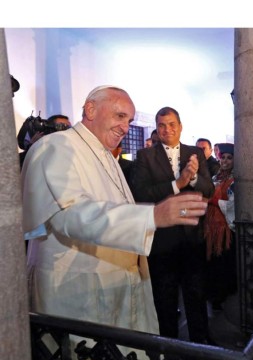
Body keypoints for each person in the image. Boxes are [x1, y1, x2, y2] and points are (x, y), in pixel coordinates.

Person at [21, 86, 207, 346]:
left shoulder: (104, 155)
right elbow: (70, 214)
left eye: (130, 120)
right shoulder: (56, 146)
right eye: (120, 116)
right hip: (77, 292)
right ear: (90, 109)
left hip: (114, 289)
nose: (125, 127)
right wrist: (151, 217)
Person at [132, 106, 215, 343]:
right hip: (162, 241)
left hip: (192, 239)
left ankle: (201, 350)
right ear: (156, 129)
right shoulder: (145, 156)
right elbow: (141, 193)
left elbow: (209, 189)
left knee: (196, 299)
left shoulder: (195, 153)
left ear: (180, 126)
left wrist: (195, 177)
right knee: (164, 301)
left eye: (171, 124)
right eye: (161, 125)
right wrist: (178, 183)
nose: (167, 129)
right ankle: (168, 351)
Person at [204, 143, 236, 311]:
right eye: (223, 157)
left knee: (222, 262)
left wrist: (214, 201)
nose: (225, 161)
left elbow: (233, 205)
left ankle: (221, 296)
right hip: (210, 225)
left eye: (229, 158)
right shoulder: (215, 177)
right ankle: (211, 294)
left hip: (224, 229)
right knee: (211, 261)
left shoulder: (234, 181)